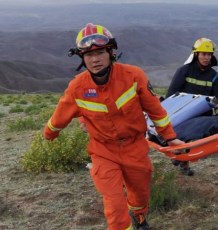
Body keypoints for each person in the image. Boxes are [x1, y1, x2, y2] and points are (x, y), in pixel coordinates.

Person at [43, 23, 184, 230]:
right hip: (103, 151)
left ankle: (139, 216)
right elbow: (59, 116)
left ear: (111, 52)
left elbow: (156, 111)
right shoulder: (77, 87)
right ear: (82, 58)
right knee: (114, 201)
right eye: (88, 54)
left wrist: (170, 137)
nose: (95, 59)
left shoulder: (134, 76)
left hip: (135, 147)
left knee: (140, 193)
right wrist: (49, 135)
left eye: (100, 52)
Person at [165, 38, 218, 176]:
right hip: (183, 113)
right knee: (182, 138)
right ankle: (181, 161)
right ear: (196, 54)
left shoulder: (213, 75)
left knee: (193, 140)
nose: (207, 57)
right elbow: (172, 94)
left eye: (209, 54)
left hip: (203, 115)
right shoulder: (184, 71)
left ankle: (183, 160)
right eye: (203, 54)